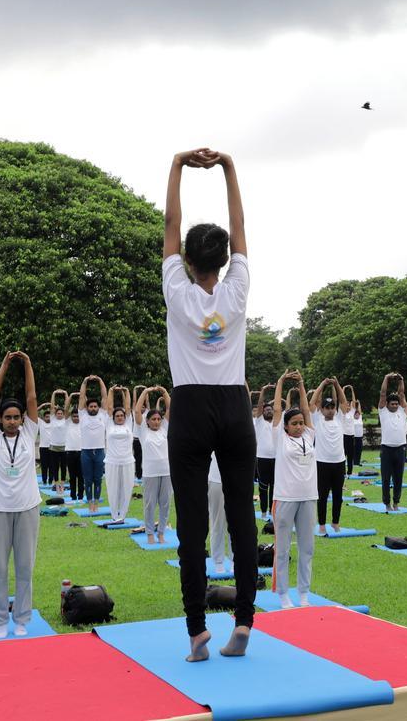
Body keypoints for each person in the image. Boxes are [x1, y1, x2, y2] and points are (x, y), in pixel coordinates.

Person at [163, 146, 257, 661]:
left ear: (187, 261)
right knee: (242, 519)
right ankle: (243, 621)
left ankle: (198, 632)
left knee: (193, 524)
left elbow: (171, 222)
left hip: (192, 408)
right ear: (222, 261)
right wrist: (228, 167)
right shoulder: (237, 289)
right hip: (235, 408)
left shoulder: (176, 287)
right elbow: (239, 222)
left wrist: (178, 164)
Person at [0, 351, 41, 639]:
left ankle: (22, 617)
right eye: (7, 417)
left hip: (27, 508)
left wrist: (27, 365)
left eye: (16, 417)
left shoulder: (30, 432)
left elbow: (31, 398)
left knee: (24, 567)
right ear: (0, 419)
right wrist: (5, 366)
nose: (12, 421)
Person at [270, 369, 317, 609]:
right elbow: (278, 410)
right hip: (285, 498)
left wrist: (301, 384)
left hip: (308, 497)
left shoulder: (309, 435)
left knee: (307, 548)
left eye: (301, 423)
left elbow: (307, 410)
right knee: (283, 548)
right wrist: (280, 382)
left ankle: (304, 593)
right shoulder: (280, 438)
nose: (299, 426)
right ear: (286, 426)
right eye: (294, 424)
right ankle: (283, 594)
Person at [311, 377, 349, 534]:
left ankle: (335, 522)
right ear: (322, 409)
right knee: (322, 495)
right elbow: (312, 403)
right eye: (327, 407)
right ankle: (321, 524)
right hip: (322, 463)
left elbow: (344, 402)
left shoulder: (339, 419)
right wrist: (322, 384)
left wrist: (337, 385)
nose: (330, 409)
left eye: (332, 407)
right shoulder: (317, 419)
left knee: (338, 495)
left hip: (339, 462)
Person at [136, 387, 173, 543]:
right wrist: (145, 393)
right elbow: (137, 412)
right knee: (150, 504)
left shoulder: (165, 429)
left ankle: (161, 532)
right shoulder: (143, 431)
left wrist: (164, 392)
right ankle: (150, 533)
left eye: (158, 419)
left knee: (165, 504)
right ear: (148, 421)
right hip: (150, 473)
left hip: (166, 472)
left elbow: (170, 408)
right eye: (153, 419)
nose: (157, 422)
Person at [377, 372, 407, 511]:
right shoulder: (383, 411)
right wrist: (386, 378)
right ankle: (387, 503)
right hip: (387, 449)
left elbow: (401, 393)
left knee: (398, 478)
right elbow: (383, 394)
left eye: (397, 403)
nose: (396, 405)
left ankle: (396, 502)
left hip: (400, 449)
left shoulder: (402, 411)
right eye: (393, 404)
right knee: (386, 479)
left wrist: (401, 379)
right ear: (388, 405)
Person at [104, 386, 136, 523]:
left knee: (127, 489)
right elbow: (109, 407)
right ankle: (114, 515)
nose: (120, 417)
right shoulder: (109, 425)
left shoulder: (128, 424)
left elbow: (128, 407)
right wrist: (111, 391)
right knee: (112, 488)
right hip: (112, 461)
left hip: (128, 461)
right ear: (113, 417)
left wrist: (126, 391)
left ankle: (122, 516)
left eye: (121, 415)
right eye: (117, 416)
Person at [78, 376, 109, 512]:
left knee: (98, 478)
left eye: (95, 406)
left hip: (100, 451)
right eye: (91, 406)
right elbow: (81, 397)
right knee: (88, 479)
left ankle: (96, 501)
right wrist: (85, 381)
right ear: (87, 407)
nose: (93, 408)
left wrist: (100, 381)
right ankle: (89, 501)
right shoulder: (82, 415)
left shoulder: (103, 414)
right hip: (86, 452)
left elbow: (105, 397)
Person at [252, 385, 277, 520]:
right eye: (266, 410)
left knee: (274, 487)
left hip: (275, 458)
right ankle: (262, 511)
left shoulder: (276, 423)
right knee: (263, 486)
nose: (268, 411)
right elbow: (261, 404)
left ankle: (271, 511)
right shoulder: (259, 421)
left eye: (270, 410)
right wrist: (263, 390)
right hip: (262, 458)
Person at [47, 391, 70, 489]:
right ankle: (56, 483)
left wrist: (65, 394)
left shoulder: (66, 420)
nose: (60, 414)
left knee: (64, 467)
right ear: (55, 414)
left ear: (63, 414)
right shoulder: (53, 419)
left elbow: (67, 406)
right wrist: (54, 394)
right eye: (58, 413)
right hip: (54, 447)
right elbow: (52, 407)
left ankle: (62, 484)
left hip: (64, 447)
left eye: (61, 413)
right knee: (55, 467)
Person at [65, 397, 84, 501]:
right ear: (71, 417)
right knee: (72, 477)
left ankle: (80, 496)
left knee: (81, 477)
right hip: (70, 453)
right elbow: (66, 409)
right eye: (74, 416)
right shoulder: (67, 423)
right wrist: (71, 396)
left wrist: (82, 396)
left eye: (78, 416)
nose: (76, 418)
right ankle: (72, 496)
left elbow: (84, 407)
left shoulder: (83, 423)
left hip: (81, 453)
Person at [341, 385, 360, 476]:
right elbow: (341, 399)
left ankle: (350, 471)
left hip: (351, 436)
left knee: (350, 455)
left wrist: (352, 389)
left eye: (349, 405)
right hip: (344, 436)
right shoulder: (342, 413)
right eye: (346, 405)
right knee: (343, 454)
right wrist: (343, 389)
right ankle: (343, 471)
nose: (348, 406)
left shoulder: (352, 412)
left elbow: (354, 400)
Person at [131, 384, 147, 480]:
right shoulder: (135, 413)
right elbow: (134, 401)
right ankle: (138, 475)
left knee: (145, 457)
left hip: (144, 439)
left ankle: (145, 474)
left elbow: (147, 401)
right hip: (136, 439)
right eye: (141, 407)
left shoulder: (147, 414)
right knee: (137, 458)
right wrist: (135, 389)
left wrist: (146, 390)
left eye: (144, 407)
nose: (142, 408)